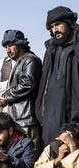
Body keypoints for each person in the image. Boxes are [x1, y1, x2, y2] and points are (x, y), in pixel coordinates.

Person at [36, 6, 79, 145]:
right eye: (52, 26)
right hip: (50, 117)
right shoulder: (51, 50)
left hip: (72, 121)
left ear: (68, 23)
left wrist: (74, 125)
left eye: (58, 24)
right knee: (50, 162)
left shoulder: (76, 48)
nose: (55, 30)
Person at [0, 30, 43, 148]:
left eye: (10, 45)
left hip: (26, 119)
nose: (8, 50)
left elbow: (27, 84)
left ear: (21, 44)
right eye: (6, 47)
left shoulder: (29, 59)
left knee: (29, 156)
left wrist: (6, 96)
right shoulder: (20, 61)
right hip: (18, 119)